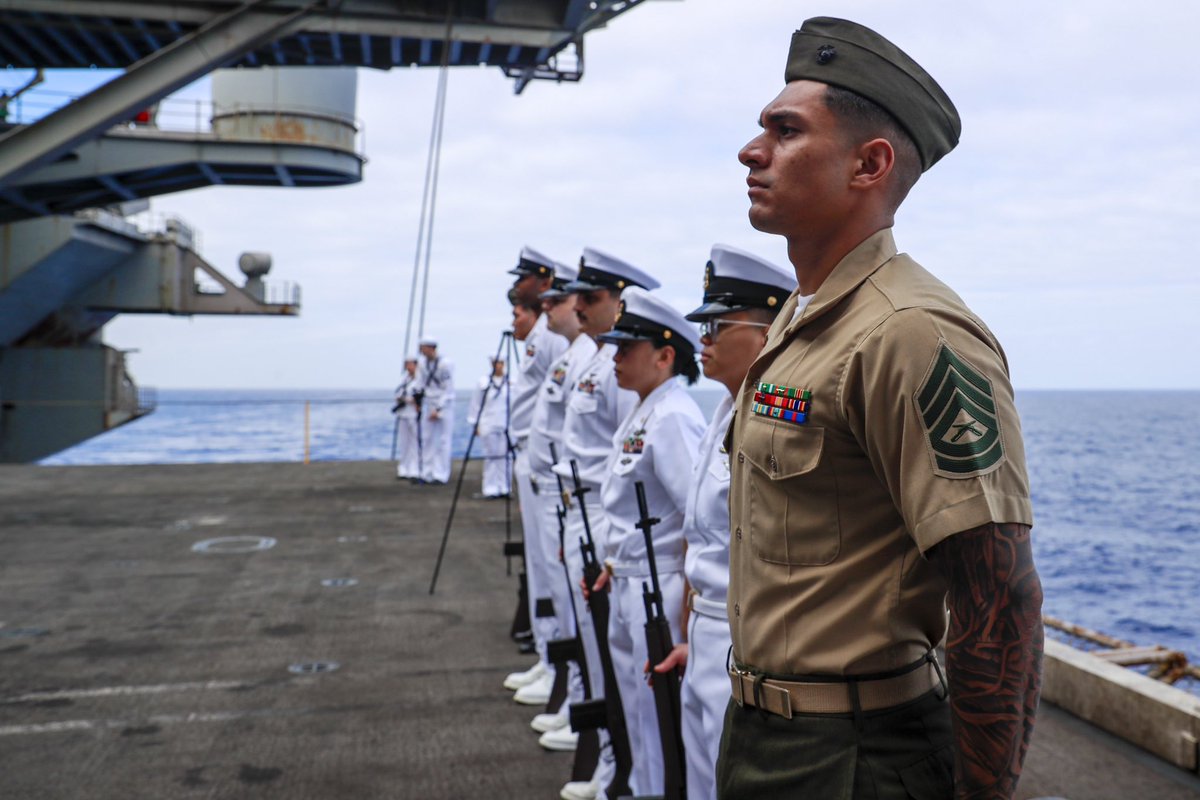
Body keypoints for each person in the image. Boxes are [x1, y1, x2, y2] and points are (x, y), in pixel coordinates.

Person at [717, 18, 1042, 800]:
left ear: (870, 164)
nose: (750, 151)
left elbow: (998, 597)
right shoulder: (804, 317)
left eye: (785, 131)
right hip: (763, 735)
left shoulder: (912, 331)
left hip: (857, 756)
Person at [645, 244, 795, 800]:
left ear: (769, 332)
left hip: (749, 646)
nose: (702, 339)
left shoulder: (779, 415)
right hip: (710, 636)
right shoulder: (725, 412)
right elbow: (707, 542)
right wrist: (694, 637)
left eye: (718, 324)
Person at [547, 248, 660, 800]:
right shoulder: (594, 360)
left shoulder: (622, 373)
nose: (578, 305)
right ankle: (616, 767)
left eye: (590, 297)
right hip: (586, 511)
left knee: (623, 670)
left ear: (620, 300)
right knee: (598, 652)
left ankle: (619, 770)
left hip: (604, 515)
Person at [592, 286, 705, 797]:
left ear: (663, 356)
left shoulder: (673, 417)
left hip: (660, 591)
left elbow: (695, 517)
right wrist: (613, 564)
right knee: (638, 712)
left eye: (626, 349)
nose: (614, 357)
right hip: (629, 582)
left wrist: (685, 618)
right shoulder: (645, 410)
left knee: (658, 719)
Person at [519, 259, 602, 742]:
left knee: (577, 610)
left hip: (576, 498)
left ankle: (576, 694)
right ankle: (562, 679)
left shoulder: (593, 359)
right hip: (556, 489)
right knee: (557, 595)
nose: (548, 308)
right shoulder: (574, 355)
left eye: (561, 300)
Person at [502, 247, 569, 708]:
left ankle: (556, 669)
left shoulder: (552, 336)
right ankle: (547, 660)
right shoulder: (544, 333)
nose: (519, 285)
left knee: (550, 571)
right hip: (530, 457)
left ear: (543, 281)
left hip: (546, 465)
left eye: (526, 279)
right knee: (540, 567)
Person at [468, 356, 511, 499]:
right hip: (488, 423)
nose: (498, 366)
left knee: (505, 458)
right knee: (491, 457)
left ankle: (504, 487)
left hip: (505, 424)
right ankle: (490, 488)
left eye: (500, 363)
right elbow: (476, 404)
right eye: (495, 363)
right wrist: (475, 423)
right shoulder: (483, 383)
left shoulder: (511, 382)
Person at [416, 336, 454, 484]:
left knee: (443, 441)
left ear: (432, 348)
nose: (421, 350)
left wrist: (439, 408)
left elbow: (448, 389)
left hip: (444, 404)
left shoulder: (445, 364)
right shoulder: (422, 364)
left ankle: (441, 474)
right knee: (427, 439)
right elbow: (420, 384)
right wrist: (418, 399)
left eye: (424, 347)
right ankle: (427, 472)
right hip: (429, 402)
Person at [392, 355, 424, 481]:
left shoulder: (420, 379)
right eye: (406, 364)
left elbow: (420, 396)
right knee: (404, 442)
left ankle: (414, 469)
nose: (408, 367)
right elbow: (398, 393)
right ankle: (403, 468)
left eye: (410, 364)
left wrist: (409, 400)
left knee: (414, 442)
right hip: (403, 413)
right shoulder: (404, 379)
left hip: (413, 414)